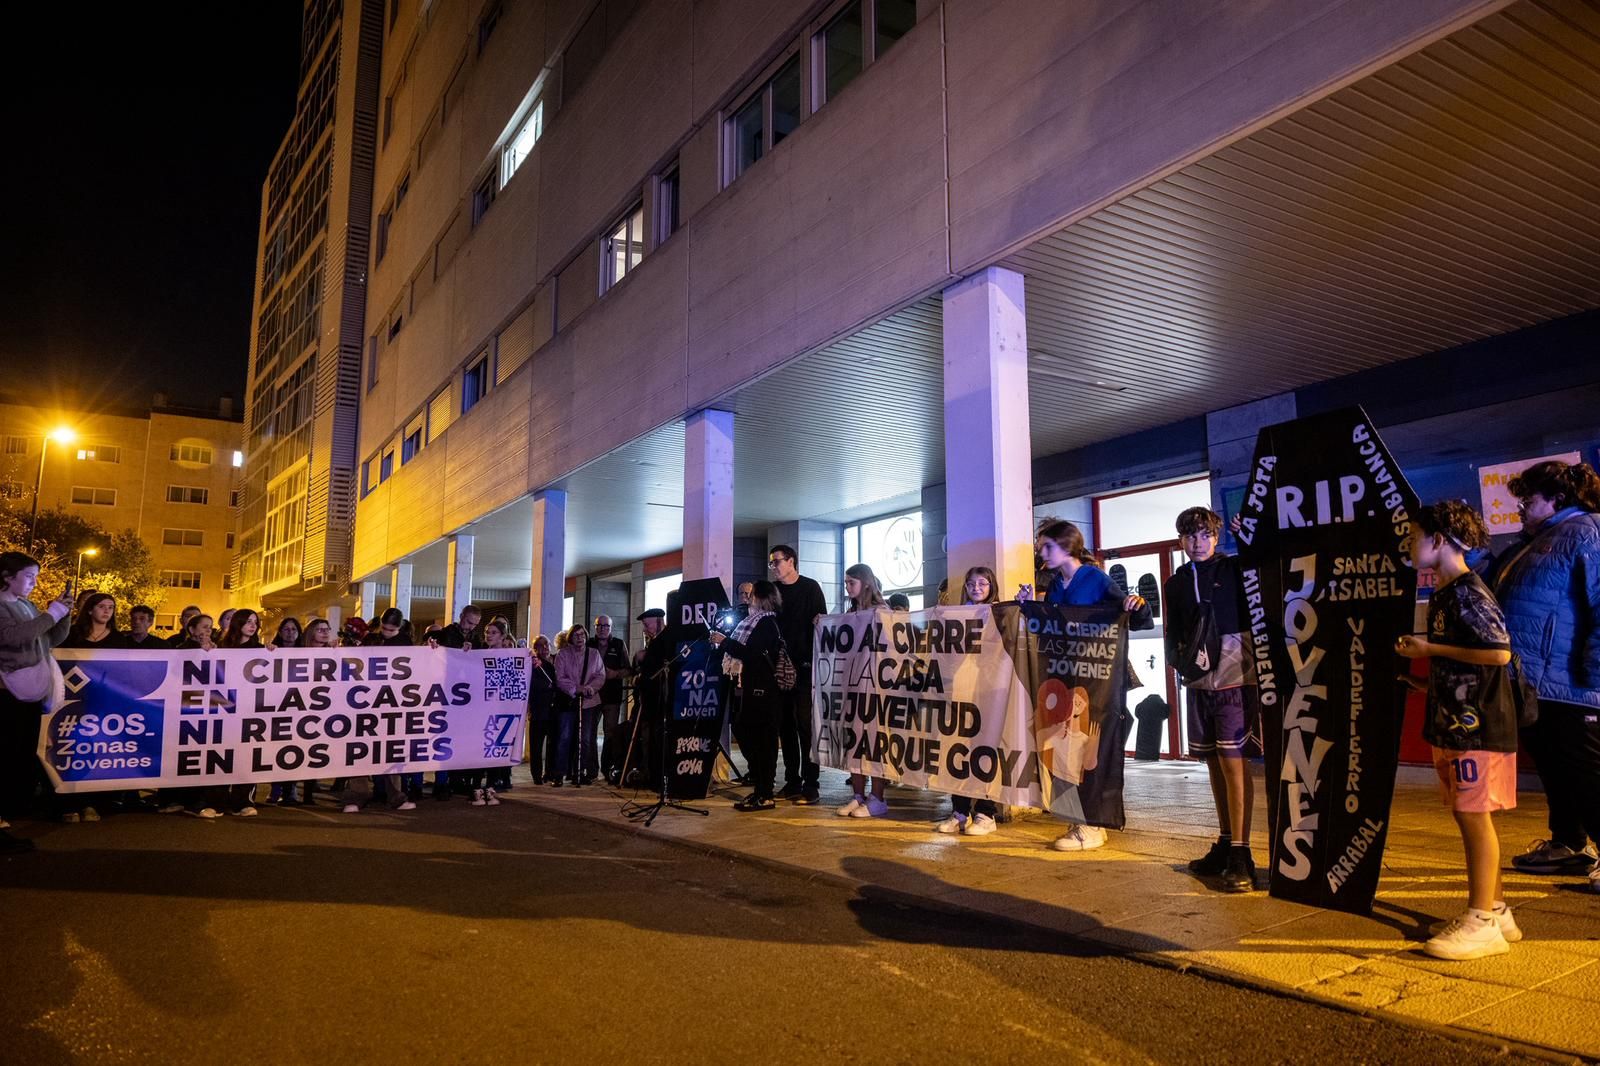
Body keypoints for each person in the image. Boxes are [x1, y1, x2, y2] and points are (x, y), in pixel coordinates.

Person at [1397, 501, 1522, 959]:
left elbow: (1498, 653)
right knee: (1470, 816)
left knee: (1474, 818)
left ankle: (1480, 922)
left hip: (1478, 728)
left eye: (1414, 536)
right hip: (1456, 724)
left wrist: (1429, 649)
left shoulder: (1468, 592)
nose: (1409, 544)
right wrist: (1423, 681)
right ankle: (1497, 910)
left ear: (1439, 540)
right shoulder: (1447, 592)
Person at [1489, 460, 1600, 890]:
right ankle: (1568, 844)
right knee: (1557, 769)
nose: (1519, 507)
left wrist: (1594, 673)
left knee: (1587, 771)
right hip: (1535, 682)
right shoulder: (1533, 542)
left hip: (1572, 684)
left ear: (1557, 498)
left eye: (1527, 498)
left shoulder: (1587, 531)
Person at [1019, 519, 1153, 852]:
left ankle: (1093, 822)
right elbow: (1050, 625)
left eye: (1047, 547)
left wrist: (1137, 605)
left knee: (1090, 748)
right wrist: (1027, 607)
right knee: (1063, 752)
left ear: (1067, 546)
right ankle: (1077, 819)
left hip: (1096, 679)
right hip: (1066, 674)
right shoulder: (1055, 584)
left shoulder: (1095, 579)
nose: (1042, 553)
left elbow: (1131, 616)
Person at [1163, 506, 1258, 892]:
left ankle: (1242, 853)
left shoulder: (1234, 569)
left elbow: (1267, 567)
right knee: (1213, 762)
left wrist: (1251, 535)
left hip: (1235, 677)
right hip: (1199, 681)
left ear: (1218, 537)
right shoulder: (1176, 582)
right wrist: (1179, 662)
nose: (1198, 542)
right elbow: (1174, 632)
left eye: (1205, 534)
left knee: (1234, 761)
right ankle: (1225, 841)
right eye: (1190, 535)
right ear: (1180, 540)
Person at [0, 552, 73, 852]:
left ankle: (6, 817)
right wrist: (52, 613)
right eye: (29, 576)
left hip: (27, 693)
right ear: (7, 577)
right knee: (6, 757)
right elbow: (14, 637)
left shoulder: (27, 605)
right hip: (7, 693)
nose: (34, 583)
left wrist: (63, 615)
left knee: (19, 757)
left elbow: (46, 639)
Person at [934, 567, 1004, 836]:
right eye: (971, 583)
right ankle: (960, 811)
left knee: (985, 751)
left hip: (987, 691)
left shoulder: (1000, 613)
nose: (976, 588)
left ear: (991, 586)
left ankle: (986, 812)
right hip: (960, 689)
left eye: (982, 583)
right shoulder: (956, 615)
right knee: (958, 749)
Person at [710, 581, 785, 811]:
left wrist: (725, 642)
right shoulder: (752, 622)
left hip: (764, 691)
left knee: (764, 743)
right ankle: (760, 789)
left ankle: (765, 793)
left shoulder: (766, 623)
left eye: (753, 595)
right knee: (751, 736)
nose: (749, 599)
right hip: (750, 689)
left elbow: (752, 654)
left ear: (762, 598)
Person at [768, 544, 827, 804]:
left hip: (805, 667)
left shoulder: (810, 588)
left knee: (806, 727)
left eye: (777, 561)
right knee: (785, 727)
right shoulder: (773, 591)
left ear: (791, 561)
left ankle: (811, 783)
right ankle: (792, 780)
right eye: (771, 563)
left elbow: (821, 622)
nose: (774, 567)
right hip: (779, 668)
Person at [343, 608, 418, 813]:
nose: (386, 632)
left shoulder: (405, 643)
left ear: (399, 628)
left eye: (391, 630)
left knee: (391, 751)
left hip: (390, 702)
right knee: (359, 749)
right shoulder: (371, 639)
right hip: (365, 701)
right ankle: (357, 795)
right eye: (384, 628)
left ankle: (396, 796)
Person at [837, 564, 892, 819]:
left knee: (874, 743)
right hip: (853, 684)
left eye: (852, 582)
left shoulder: (882, 612)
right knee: (855, 742)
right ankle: (858, 795)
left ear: (866, 583)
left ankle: (877, 797)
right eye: (846, 583)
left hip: (875, 687)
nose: (847, 587)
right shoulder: (851, 613)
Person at [590, 615, 630, 783]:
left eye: (606, 626)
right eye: (599, 625)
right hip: (592, 696)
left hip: (612, 696)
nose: (602, 628)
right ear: (595, 627)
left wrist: (615, 674)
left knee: (610, 734)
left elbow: (628, 669)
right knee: (589, 733)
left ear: (611, 628)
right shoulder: (589, 644)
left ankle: (607, 769)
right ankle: (591, 770)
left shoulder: (619, 644)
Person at [527, 635, 558, 784]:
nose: (545, 648)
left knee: (552, 745)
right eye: (541, 645)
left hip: (552, 711)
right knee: (536, 746)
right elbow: (532, 684)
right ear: (535, 649)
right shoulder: (532, 665)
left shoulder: (554, 663)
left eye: (547, 645)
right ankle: (537, 775)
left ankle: (549, 773)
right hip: (538, 711)